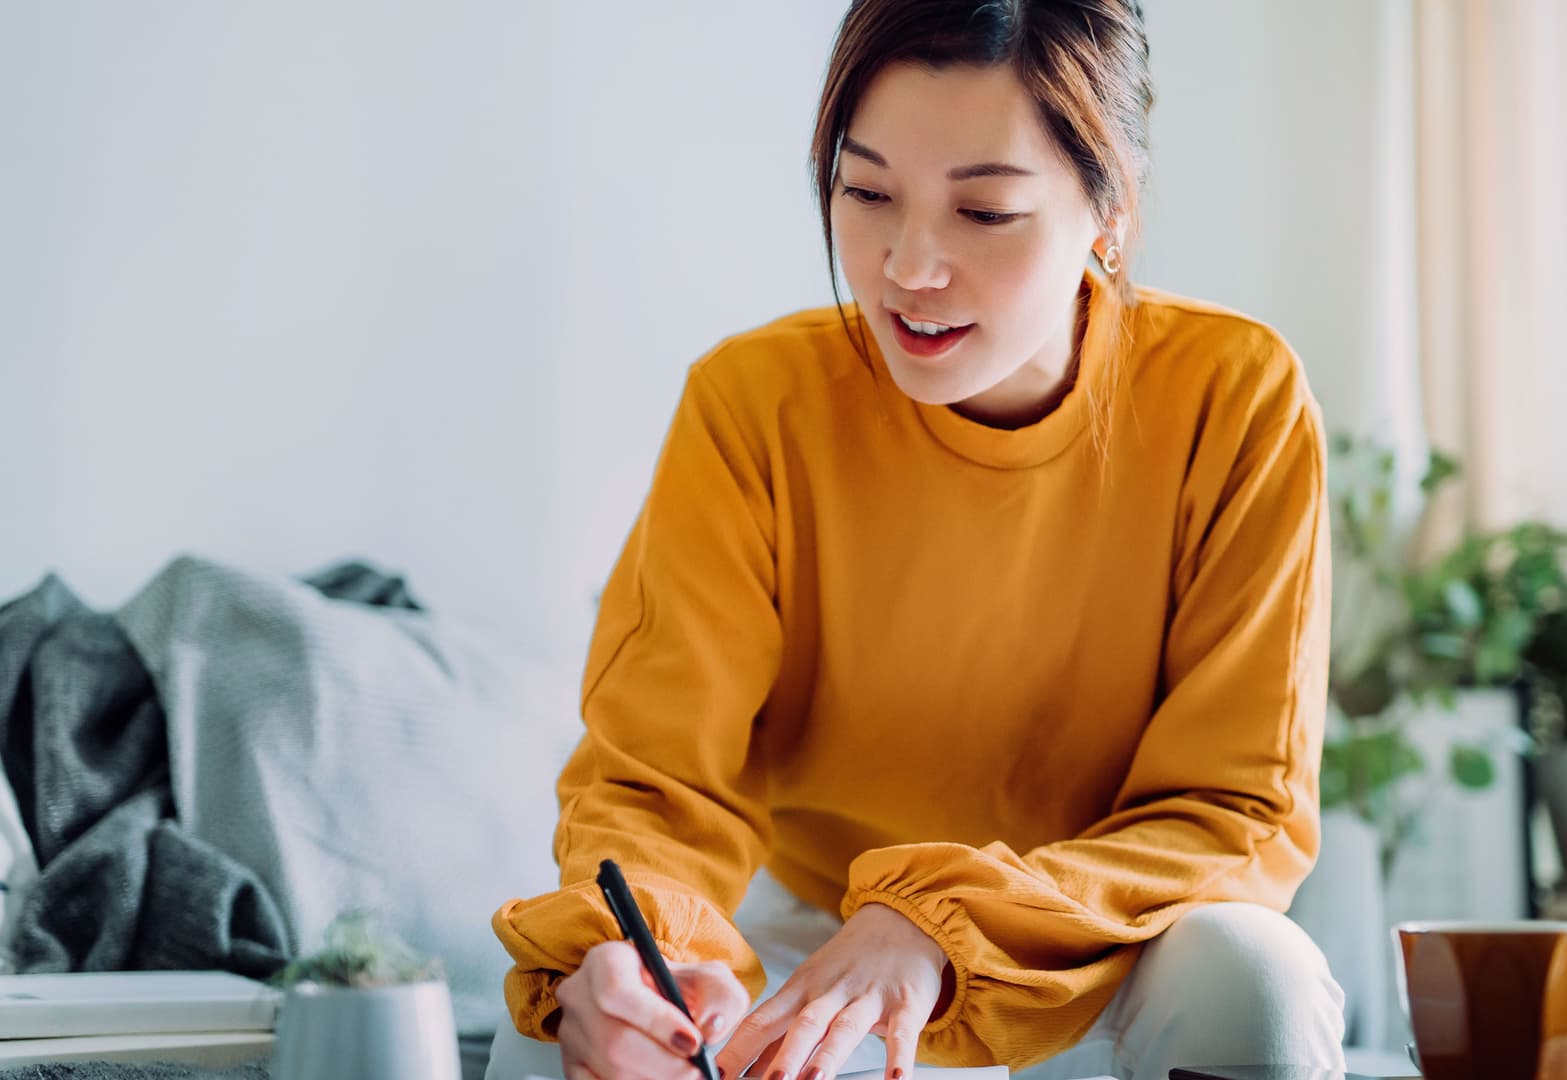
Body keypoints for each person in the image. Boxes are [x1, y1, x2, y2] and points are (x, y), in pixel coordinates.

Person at [486, 2, 1345, 1079]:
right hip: (814, 937)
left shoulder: (1235, 397)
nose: (908, 267)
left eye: (984, 211)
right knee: (569, 1030)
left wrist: (942, 923)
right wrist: (648, 954)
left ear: (1109, 207)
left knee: (1255, 973)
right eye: (867, 192)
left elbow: (1236, 812)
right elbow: (657, 782)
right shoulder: (755, 403)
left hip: (1096, 945)